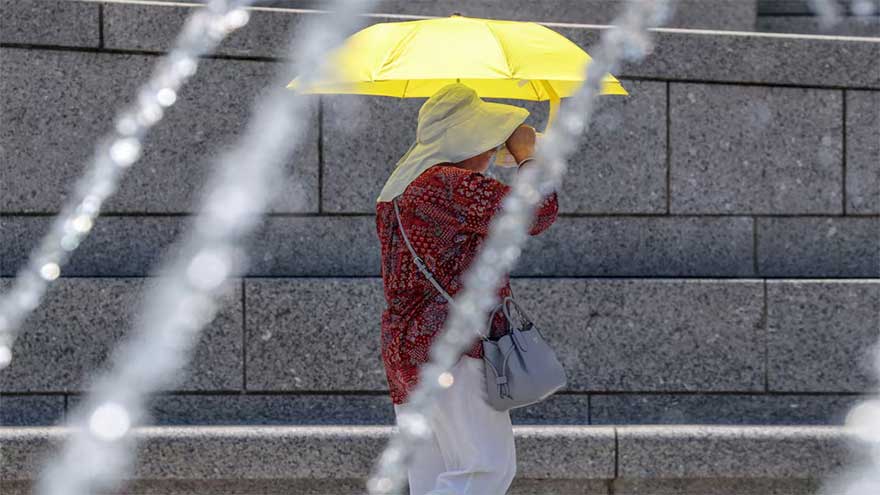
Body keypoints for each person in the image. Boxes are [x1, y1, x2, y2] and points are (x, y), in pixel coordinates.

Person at [374, 83, 559, 495]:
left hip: (406, 349)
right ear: (468, 138)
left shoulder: (400, 190)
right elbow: (537, 211)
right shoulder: (449, 184)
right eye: (489, 140)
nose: (493, 152)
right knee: (484, 468)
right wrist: (528, 156)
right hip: (455, 344)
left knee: (431, 472)